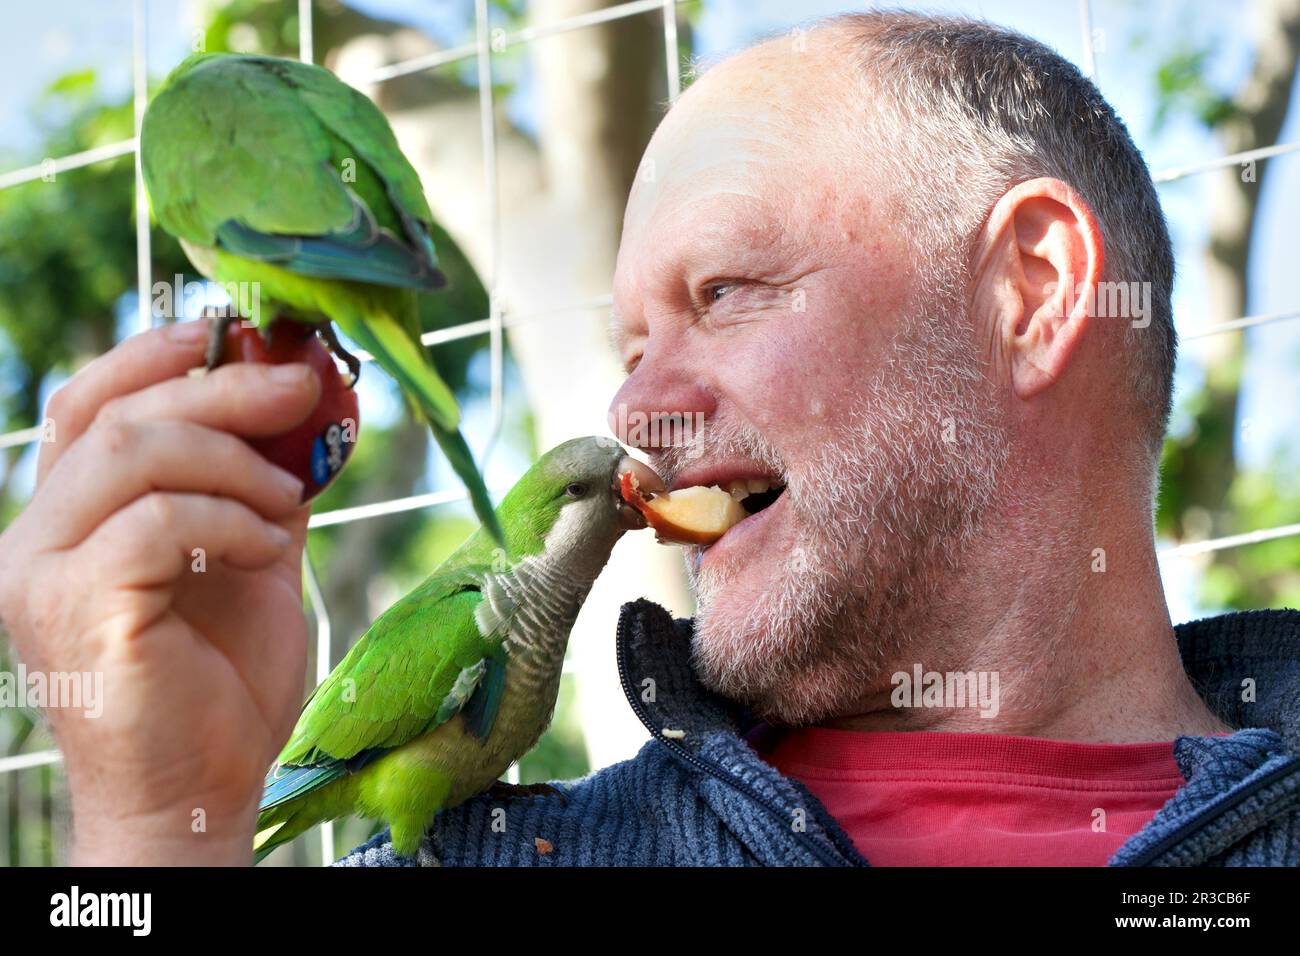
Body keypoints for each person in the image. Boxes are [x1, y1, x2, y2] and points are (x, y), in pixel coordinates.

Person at [1, 11, 1296, 867]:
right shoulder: (518, 850)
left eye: (723, 293)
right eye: (627, 352)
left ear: (1031, 291)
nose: (635, 416)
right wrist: (156, 816)